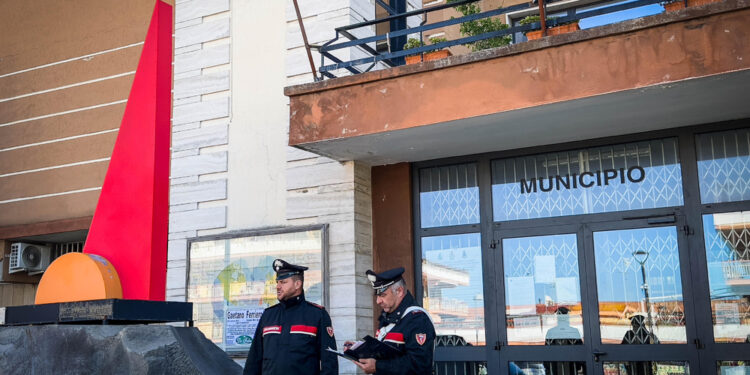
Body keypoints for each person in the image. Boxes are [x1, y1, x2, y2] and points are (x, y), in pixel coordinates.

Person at [243, 259, 338, 375]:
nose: (278, 286)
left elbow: (330, 363)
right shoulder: (268, 315)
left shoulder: (317, 315)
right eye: (277, 282)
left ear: (297, 284)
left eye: (283, 282)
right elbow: (254, 360)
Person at [354, 267, 436, 374]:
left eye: (383, 295)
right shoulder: (388, 316)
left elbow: (419, 365)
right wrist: (359, 349)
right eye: (377, 296)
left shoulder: (417, 319)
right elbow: (385, 353)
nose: (378, 301)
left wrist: (377, 366)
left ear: (399, 291)